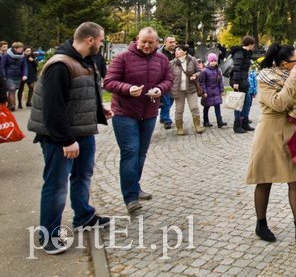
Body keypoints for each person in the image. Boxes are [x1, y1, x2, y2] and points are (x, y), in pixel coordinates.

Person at [27, 22, 112, 255]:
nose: (102, 44)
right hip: (60, 138)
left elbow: (80, 94)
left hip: (82, 133)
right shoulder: (59, 65)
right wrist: (66, 141)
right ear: (90, 40)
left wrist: (98, 110)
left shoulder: (85, 61)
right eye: (101, 40)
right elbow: (52, 110)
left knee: (83, 175)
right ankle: (49, 235)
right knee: (56, 186)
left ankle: (83, 215)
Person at [246, 43, 296, 243]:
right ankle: (261, 224)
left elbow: (291, 101)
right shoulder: (266, 79)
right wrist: (290, 80)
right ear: (283, 64)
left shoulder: (292, 78)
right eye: (295, 60)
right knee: (264, 180)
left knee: (295, 181)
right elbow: (278, 103)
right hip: (269, 134)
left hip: (290, 132)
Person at [104, 27, 172, 214]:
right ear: (137, 40)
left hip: (149, 113)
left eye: (151, 42)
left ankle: (135, 185)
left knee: (141, 153)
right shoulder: (122, 58)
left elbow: (169, 80)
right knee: (130, 152)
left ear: (157, 43)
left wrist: (160, 89)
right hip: (125, 113)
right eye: (144, 41)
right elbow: (108, 82)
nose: (147, 45)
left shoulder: (162, 60)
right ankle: (130, 197)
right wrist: (128, 88)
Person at [170, 45, 203, 136]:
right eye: (175, 50)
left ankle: (197, 125)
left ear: (185, 52)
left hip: (191, 89)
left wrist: (195, 75)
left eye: (179, 50)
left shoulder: (192, 60)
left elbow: (199, 71)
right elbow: (168, 76)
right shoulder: (172, 63)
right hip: (178, 90)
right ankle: (179, 128)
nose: (176, 51)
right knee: (179, 109)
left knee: (194, 107)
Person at [230, 36, 256, 134]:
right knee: (238, 103)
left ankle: (245, 122)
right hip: (238, 81)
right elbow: (237, 68)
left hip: (244, 80)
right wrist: (236, 82)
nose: (253, 47)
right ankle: (237, 125)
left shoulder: (247, 53)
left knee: (247, 102)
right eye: (253, 45)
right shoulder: (240, 53)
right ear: (250, 44)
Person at [200, 53, 227, 128]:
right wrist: (204, 92)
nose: (214, 62)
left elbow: (220, 81)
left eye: (215, 61)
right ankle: (205, 121)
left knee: (217, 106)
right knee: (206, 107)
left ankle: (219, 121)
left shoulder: (218, 70)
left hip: (216, 91)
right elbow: (202, 82)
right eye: (212, 61)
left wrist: (222, 90)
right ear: (209, 61)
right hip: (208, 92)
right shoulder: (204, 71)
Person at [2, 41, 27, 111]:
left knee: (13, 90)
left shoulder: (23, 56)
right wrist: (3, 75)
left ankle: (10, 104)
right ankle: (12, 105)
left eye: (22, 47)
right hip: (9, 76)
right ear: (15, 48)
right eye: (20, 48)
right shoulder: (6, 55)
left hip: (18, 76)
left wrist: (25, 74)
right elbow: (2, 66)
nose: (22, 49)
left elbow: (25, 66)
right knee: (12, 88)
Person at [158, 36, 177, 130]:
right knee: (166, 100)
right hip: (164, 80)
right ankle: (166, 120)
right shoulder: (159, 53)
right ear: (165, 42)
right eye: (170, 42)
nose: (173, 43)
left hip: (175, 80)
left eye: (174, 42)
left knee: (171, 99)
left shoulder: (177, 52)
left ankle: (162, 116)